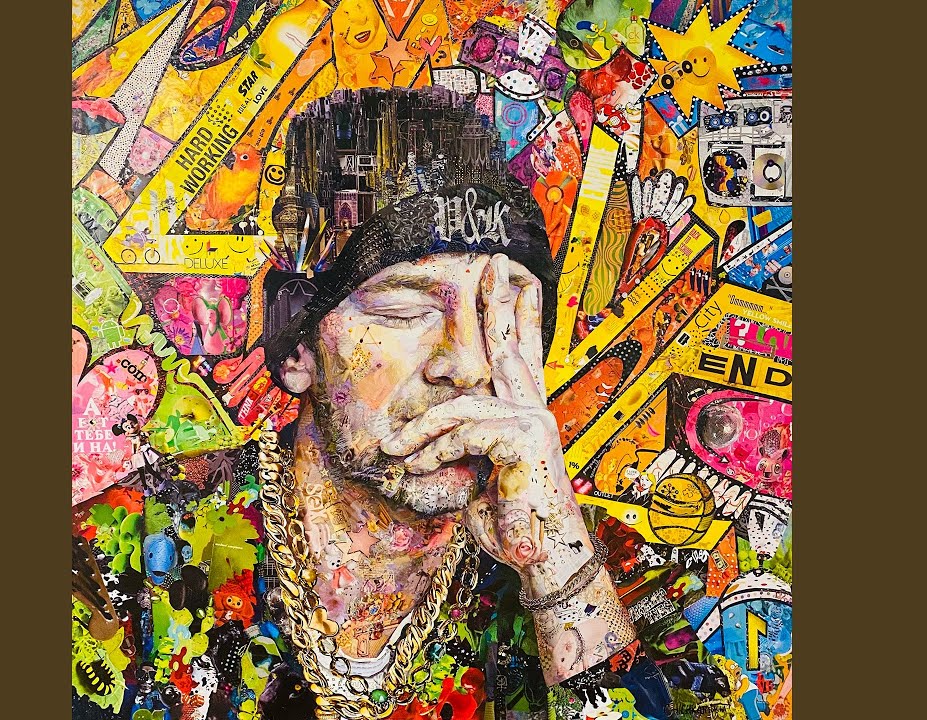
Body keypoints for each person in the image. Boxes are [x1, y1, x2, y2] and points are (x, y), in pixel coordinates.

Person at [252, 87, 670, 719]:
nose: (470, 364)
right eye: (406, 309)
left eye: (504, 311)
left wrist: (554, 565)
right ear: (297, 349)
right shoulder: (148, 546)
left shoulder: (614, 567)